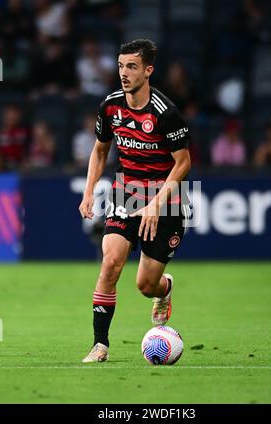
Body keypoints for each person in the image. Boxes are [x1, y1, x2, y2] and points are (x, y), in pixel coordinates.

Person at [79, 39, 191, 363]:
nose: (124, 74)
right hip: (126, 192)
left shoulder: (165, 113)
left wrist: (156, 203)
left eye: (131, 67)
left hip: (166, 198)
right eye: (120, 66)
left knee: (145, 284)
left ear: (148, 70)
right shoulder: (110, 106)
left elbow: (183, 163)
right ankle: (100, 345)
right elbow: (100, 150)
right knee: (111, 262)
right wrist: (89, 192)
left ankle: (164, 289)